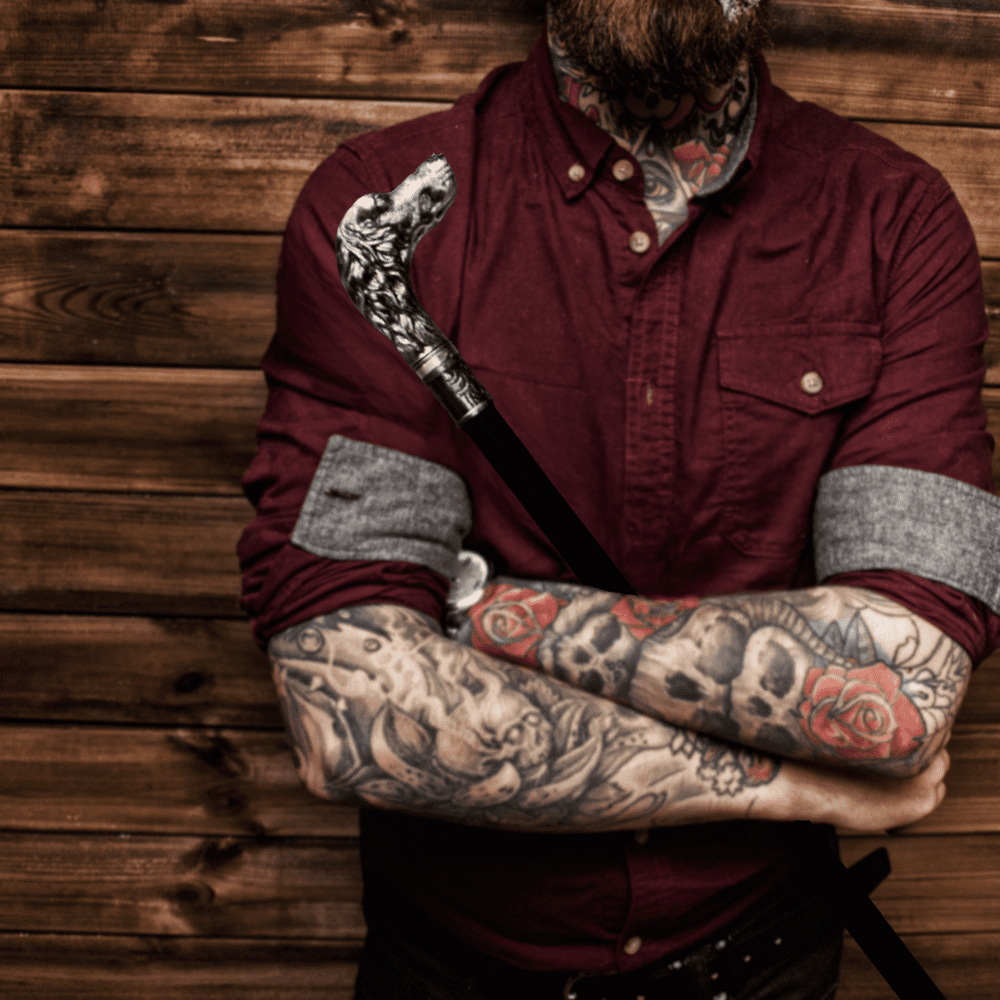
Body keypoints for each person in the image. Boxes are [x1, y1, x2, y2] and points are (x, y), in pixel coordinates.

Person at [238, 1, 1000, 996]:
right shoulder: (380, 220)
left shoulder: (893, 221)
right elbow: (350, 709)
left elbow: (899, 690)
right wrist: (797, 784)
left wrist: (478, 612)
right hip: (453, 970)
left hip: (762, 965)